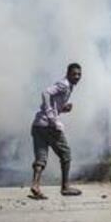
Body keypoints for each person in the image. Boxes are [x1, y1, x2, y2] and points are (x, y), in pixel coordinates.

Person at [29, 63, 83, 200]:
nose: (77, 77)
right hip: (49, 126)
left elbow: (53, 104)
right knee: (66, 154)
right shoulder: (64, 84)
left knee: (40, 158)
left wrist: (63, 108)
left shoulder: (68, 87)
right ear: (68, 73)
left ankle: (35, 185)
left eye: (79, 74)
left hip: (38, 125)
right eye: (74, 74)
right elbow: (46, 93)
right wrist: (51, 115)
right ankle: (65, 187)